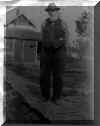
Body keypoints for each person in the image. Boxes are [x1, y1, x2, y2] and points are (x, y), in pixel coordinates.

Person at [40, 3, 69, 104]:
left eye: (53, 10)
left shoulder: (63, 23)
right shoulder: (44, 23)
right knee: (44, 75)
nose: (52, 12)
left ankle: (56, 98)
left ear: (57, 11)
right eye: (50, 11)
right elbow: (42, 37)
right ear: (48, 12)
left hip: (59, 52)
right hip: (46, 52)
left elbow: (66, 37)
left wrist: (59, 46)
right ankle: (45, 96)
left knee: (58, 76)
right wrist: (44, 49)